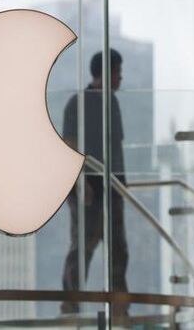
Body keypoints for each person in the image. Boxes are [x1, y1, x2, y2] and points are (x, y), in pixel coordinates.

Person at [60, 50, 129, 315]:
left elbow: (115, 146)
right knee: (83, 247)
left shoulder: (111, 102)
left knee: (118, 249)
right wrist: (80, 182)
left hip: (112, 187)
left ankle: (120, 309)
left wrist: (123, 183)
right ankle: (71, 306)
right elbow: (69, 146)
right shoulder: (79, 103)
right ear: (105, 72)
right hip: (87, 188)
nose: (121, 77)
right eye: (117, 71)